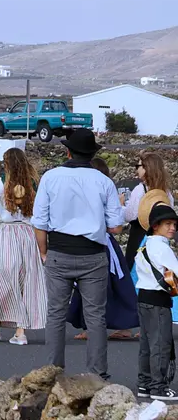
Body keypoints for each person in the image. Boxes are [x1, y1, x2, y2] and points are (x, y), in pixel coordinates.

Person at [34, 129, 124, 381]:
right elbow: (116, 226)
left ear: (68, 151)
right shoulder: (104, 182)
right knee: (96, 316)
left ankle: (53, 372)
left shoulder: (51, 177)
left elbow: (39, 222)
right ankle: (97, 374)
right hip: (92, 254)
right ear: (92, 154)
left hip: (59, 251)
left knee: (55, 314)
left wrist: (43, 252)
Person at [70, 158, 141, 341]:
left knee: (89, 285)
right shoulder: (107, 193)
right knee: (117, 285)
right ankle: (123, 325)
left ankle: (90, 327)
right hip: (107, 244)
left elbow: (114, 225)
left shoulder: (86, 196)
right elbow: (116, 224)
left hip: (95, 244)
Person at [0, 148, 46, 345]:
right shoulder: (34, 183)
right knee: (25, 283)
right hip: (27, 235)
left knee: (2, 280)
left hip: (6, 234)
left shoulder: (2, 182)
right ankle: (20, 332)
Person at [135, 197, 178, 401]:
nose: (172, 228)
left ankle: (144, 383)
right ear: (155, 226)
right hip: (159, 302)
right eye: (168, 224)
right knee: (160, 345)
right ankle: (159, 388)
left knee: (146, 344)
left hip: (143, 298)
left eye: (174, 225)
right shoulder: (162, 248)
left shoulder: (144, 247)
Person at [125, 153, 174, 269]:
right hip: (159, 237)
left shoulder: (140, 189)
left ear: (147, 168)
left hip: (140, 237)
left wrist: (122, 205)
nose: (137, 169)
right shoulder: (166, 192)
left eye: (139, 166)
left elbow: (129, 216)